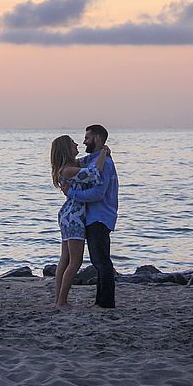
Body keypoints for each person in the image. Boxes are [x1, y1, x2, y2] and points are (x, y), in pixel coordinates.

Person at [50, 135, 109, 308]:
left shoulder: (73, 164)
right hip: (74, 216)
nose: (77, 144)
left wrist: (103, 152)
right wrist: (104, 153)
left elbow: (89, 160)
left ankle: (58, 300)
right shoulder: (67, 170)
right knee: (75, 261)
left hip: (68, 215)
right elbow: (93, 173)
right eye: (72, 143)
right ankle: (62, 301)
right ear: (66, 149)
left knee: (65, 259)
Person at [63, 125, 118, 308]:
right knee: (99, 261)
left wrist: (71, 193)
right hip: (93, 216)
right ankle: (101, 302)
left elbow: (98, 193)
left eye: (87, 138)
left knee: (101, 262)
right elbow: (77, 164)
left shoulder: (105, 164)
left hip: (99, 217)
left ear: (98, 138)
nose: (84, 141)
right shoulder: (95, 160)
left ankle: (106, 303)